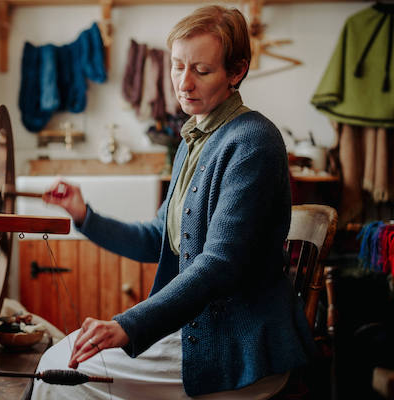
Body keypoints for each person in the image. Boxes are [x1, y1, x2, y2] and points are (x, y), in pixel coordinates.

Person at [31, 5, 315, 399]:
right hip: (199, 329)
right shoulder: (192, 140)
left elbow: (220, 265)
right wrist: (84, 215)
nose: (184, 83)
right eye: (177, 66)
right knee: (54, 366)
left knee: (58, 377)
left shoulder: (254, 141)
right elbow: (156, 238)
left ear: (236, 72)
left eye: (201, 70)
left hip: (239, 348)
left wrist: (127, 324)